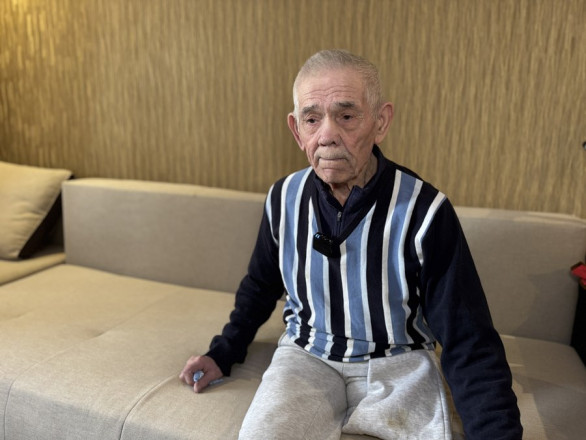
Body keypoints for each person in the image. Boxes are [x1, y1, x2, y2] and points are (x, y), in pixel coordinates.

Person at [180, 49, 522, 440]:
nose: (327, 135)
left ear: (381, 122)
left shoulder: (425, 211)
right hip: (306, 356)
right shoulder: (283, 198)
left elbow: (468, 338)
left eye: (346, 116)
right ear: (297, 130)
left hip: (399, 363)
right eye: (312, 119)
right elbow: (260, 285)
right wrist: (224, 351)